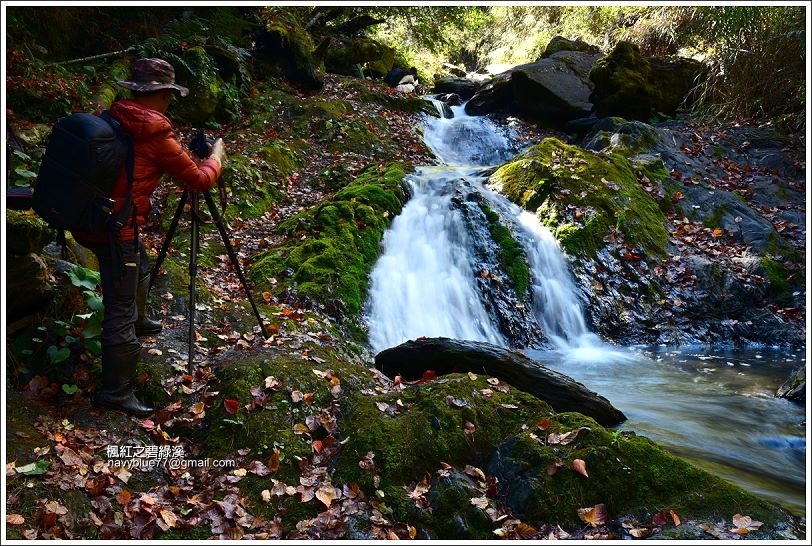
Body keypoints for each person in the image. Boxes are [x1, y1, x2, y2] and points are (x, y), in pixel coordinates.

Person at [72, 58, 226, 417]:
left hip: (92, 217)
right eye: (169, 95)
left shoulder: (111, 115)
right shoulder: (155, 133)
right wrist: (217, 157)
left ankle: (140, 319)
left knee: (138, 261)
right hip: (118, 227)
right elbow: (198, 180)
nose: (170, 101)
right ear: (160, 94)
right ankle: (116, 391)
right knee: (119, 309)